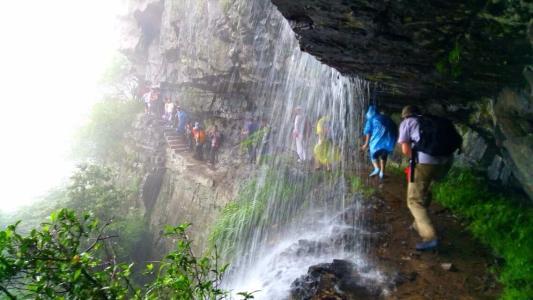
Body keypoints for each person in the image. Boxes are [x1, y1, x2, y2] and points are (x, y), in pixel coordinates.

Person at [397, 105, 454, 251]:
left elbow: (405, 149)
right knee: (425, 189)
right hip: (446, 162)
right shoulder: (433, 121)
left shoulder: (407, 122)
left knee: (413, 200)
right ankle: (418, 222)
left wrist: (414, 161)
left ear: (405, 115)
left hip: (426, 162)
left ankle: (430, 237)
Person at [361, 105, 397, 180]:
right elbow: (395, 128)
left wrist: (366, 144)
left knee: (373, 155)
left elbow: (368, 132)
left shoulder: (371, 119)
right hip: (388, 143)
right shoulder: (388, 119)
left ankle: (376, 168)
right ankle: (382, 173)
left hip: (376, 143)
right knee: (384, 156)